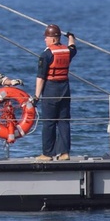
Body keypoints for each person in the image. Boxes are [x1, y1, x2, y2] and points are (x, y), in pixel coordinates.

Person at [33, 24, 77, 161]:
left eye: (46, 37)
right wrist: (71, 37)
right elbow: (73, 48)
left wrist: (36, 96)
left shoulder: (46, 54)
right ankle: (64, 153)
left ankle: (47, 153)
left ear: (53, 39)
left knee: (49, 122)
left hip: (51, 89)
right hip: (65, 89)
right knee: (64, 121)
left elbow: (40, 77)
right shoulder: (67, 52)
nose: (45, 40)